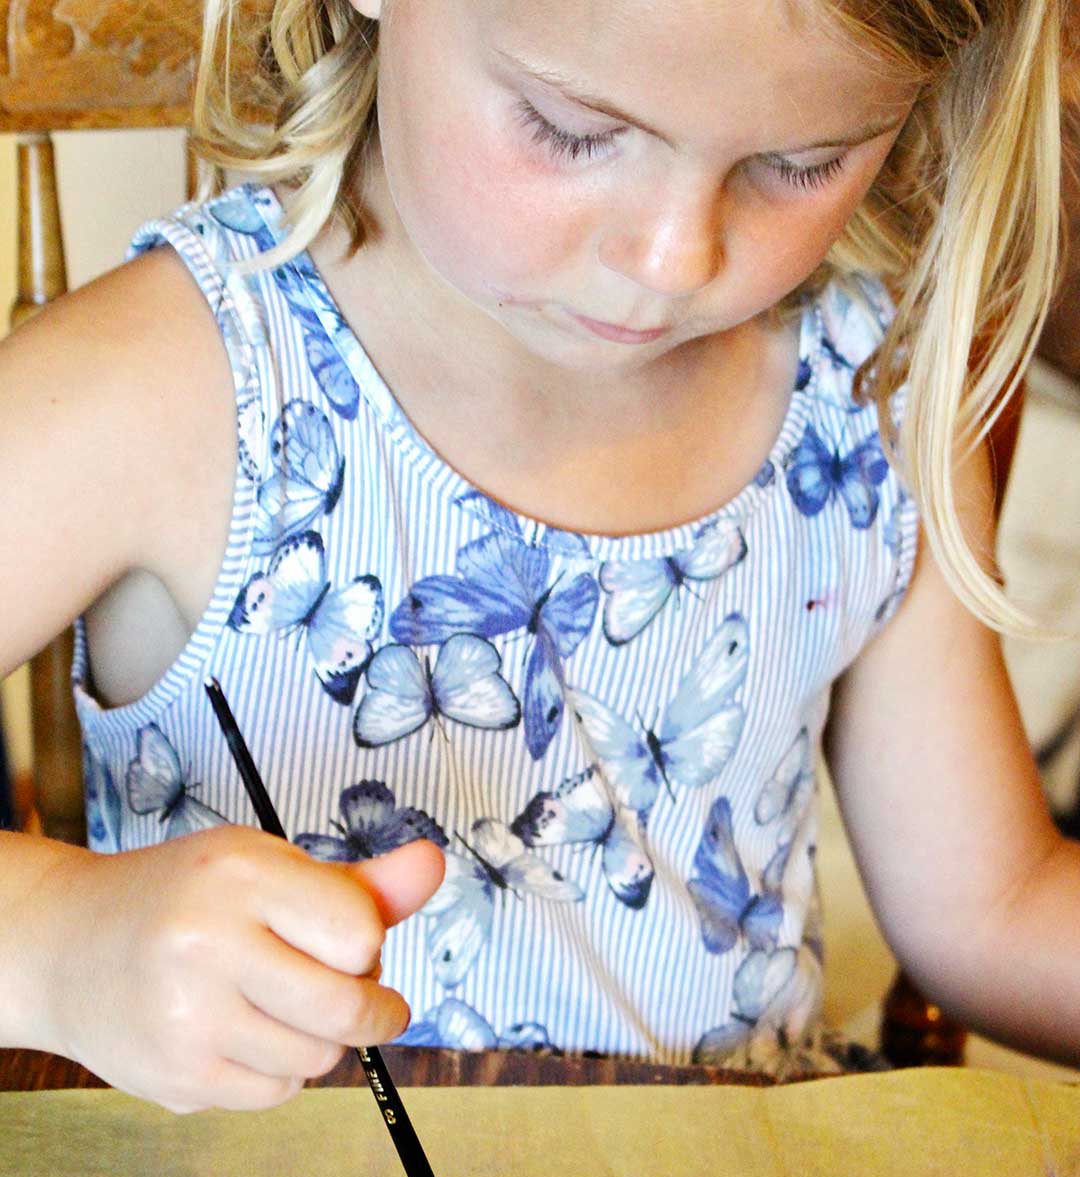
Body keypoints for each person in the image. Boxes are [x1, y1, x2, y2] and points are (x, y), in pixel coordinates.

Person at [0, 0, 1069, 1109]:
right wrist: (52, 945)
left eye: (800, 163)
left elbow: (990, 905)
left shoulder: (868, 387)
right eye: (570, 128)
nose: (672, 258)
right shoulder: (173, 380)